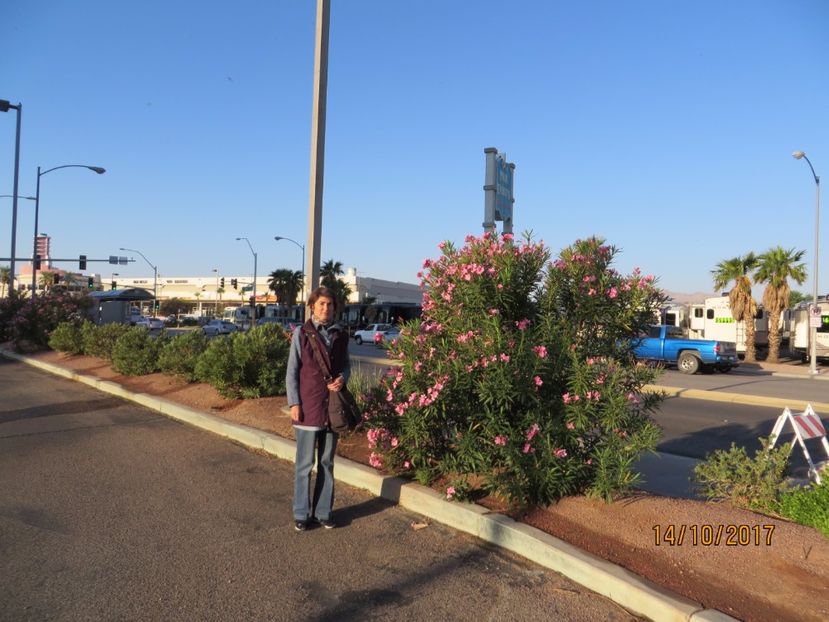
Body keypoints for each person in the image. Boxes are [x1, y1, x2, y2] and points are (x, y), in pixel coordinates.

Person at [285, 286, 350, 531]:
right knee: (304, 465)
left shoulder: (341, 335)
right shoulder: (302, 334)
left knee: (327, 462)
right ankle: (301, 513)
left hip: (332, 410)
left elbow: (346, 366)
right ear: (313, 306)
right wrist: (294, 403)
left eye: (330, 304)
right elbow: (292, 372)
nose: (326, 308)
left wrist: (343, 377)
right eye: (321, 303)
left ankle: (324, 512)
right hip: (308, 408)